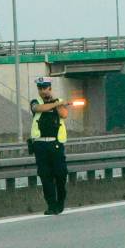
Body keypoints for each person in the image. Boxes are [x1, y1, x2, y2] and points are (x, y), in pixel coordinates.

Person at [30, 77, 71, 215]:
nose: (42, 91)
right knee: (45, 176)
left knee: (60, 175)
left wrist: (57, 102)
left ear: (50, 89)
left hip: (55, 144)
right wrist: (56, 103)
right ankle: (51, 205)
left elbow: (64, 114)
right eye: (40, 88)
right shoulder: (36, 102)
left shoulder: (57, 102)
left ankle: (60, 202)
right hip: (40, 144)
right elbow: (38, 108)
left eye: (45, 88)